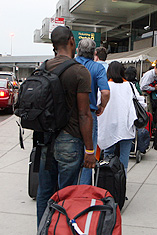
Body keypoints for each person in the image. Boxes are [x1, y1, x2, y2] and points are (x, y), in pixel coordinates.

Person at [36, 26, 95, 226]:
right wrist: (89, 149)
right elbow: (84, 114)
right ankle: (61, 230)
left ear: (53, 45)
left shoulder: (42, 68)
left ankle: (43, 230)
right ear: (72, 41)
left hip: (45, 140)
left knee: (44, 193)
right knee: (67, 196)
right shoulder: (79, 71)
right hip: (69, 141)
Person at [97, 61, 146, 174]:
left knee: (108, 155)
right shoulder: (129, 85)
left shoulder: (105, 86)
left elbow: (97, 103)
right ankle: (121, 181)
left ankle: (108, 179)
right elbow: (141, 102)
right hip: (126, 125)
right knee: (124, 158)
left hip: (108, 125)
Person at [76, 38, 110, 185]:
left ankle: (67, 190)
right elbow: (106, 92)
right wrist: (102, 106)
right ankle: (83, 192)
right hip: (89, 114)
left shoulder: (70, 64)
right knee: (88, 152)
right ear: (94, 52)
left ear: (78, 50)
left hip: (68, 114)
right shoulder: (97, 68)